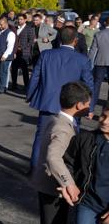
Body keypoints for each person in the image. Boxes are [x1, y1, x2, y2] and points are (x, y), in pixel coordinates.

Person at [27, 80, 91, 224]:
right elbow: (53, 158)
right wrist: (69, 183)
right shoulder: (63, 128)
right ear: (79, 105)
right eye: (88, 104)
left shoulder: (58, 119)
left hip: (47, 183)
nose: (90, 107)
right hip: (53, 187)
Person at [27, 25, 95, 170]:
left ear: (59, 38)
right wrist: (90, 107)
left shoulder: (46, 55)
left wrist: (30, 95)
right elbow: (89, 84)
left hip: (48, 103)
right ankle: (63, 170)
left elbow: (35, 77)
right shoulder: (82, 60)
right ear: (75, 40)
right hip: (72, 107)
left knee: (41, 138)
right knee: (69, 139)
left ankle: (35, 169)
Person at [11, 12, 37, 92]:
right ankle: (14, 85)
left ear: (25, 20)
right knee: (14, 69)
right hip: (15, 52)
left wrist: (23, 48)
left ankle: (26, 86)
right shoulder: (15, 28)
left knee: (24, 70)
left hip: (24, 53)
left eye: (21, 19)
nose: (19, 21)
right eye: (18, 19)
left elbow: (31, 41)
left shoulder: (29, 29)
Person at [0, 16, 16, 94]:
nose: (0, 26)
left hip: (4, 57)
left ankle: (1, 88)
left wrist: (5, 55)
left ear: (6, 24)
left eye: (1, 25)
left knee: (2, 73)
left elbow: (10, 46)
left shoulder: (10, 33)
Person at [89, 18, 109, 115]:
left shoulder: (98, 34)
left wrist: (89, 65)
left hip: (100, 62)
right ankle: (107, 111)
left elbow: (93, 51)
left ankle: (91, 108)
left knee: (96, 86)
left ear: (105, 23)